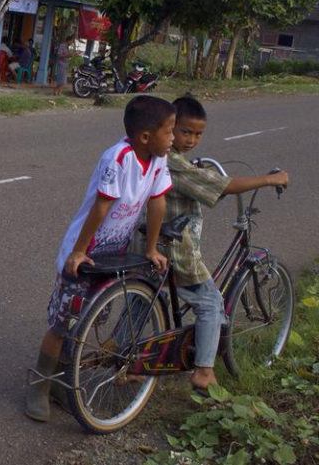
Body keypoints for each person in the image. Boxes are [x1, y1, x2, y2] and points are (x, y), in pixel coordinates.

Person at [26, 95, 176, 422]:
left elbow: (157, 202)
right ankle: (39, 384)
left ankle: (60, 383)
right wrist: (79, 251)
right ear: (145, 136)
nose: (173, 137)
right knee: (63, 322)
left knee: (86, 322)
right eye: (169, 131)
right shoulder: (118, 158)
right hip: (84, 252)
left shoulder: (159, 158)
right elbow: (101, 206)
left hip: (112, 255)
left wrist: (151, 248)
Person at [130, 95, 289, 393]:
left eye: (198, 134)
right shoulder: (173, 163)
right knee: (210, 303)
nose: (191, 139)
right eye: (185, 132)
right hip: (174, 249)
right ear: (170, 127)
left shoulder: (159, 156)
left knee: (143, 298)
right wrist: (269, 180)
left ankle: (124, 353)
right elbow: (223, 186)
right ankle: (204, 372)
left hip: (143, 240)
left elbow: (198, 179)